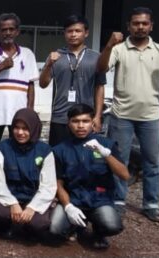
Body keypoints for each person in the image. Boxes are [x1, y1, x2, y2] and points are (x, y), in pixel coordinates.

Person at [96, 6, 159, 223]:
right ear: (129, 26)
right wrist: (109, 44)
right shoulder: (119, 49)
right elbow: (101, 68)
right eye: (136, 23)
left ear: (151, 26)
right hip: (122, 115)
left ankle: (151, 205)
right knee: (119, 160)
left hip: (150, 116)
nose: (140, 27)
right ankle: (118, 202)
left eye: (144, 23)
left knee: (152, 162)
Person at [50, 103, 129, 250]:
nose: (80, 126)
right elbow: (58, 183)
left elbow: (124, 175)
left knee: (112, 225)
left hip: (100, 200)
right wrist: (68, 206)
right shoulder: (60, 150)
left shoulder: (106, 144)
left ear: (92, 122)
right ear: (69, 123)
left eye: (85, 121)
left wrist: (106, 155)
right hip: (73, 199)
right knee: (55, 228)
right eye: (75, 121)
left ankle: (98, 232)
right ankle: (76, 225)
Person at [0, 108, 56, 240]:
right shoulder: (2, 148)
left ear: (34, 128)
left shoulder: (45, 151)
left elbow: (48, 185)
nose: (20, 132)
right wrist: (12, 203)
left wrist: (32, 207)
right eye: (16, 128)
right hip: (10, 196)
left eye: (25, 128)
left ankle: (28, 228)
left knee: (39, 223)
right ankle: (5, 225)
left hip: (33, 198)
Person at [39, 15, 106, 146]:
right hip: (61, 117)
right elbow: (43, 84)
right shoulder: (55, 56)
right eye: (70, 31)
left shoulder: (96, 57)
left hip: (86, 119)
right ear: (64, 34)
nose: (73, 34)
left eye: (78, 31)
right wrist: (48, 65)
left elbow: (99, 87)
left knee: (85, 157)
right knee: (58, 156)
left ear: (86, 33)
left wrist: (97, 116)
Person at [0, 13, 39, 146]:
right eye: (4, 29)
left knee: (20, 148)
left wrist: (30, 110)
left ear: (17, 31)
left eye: (11, 29)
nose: (8, 33)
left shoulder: (27, 54)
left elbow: (30, 85)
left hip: (19, 112)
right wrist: (0, 67)